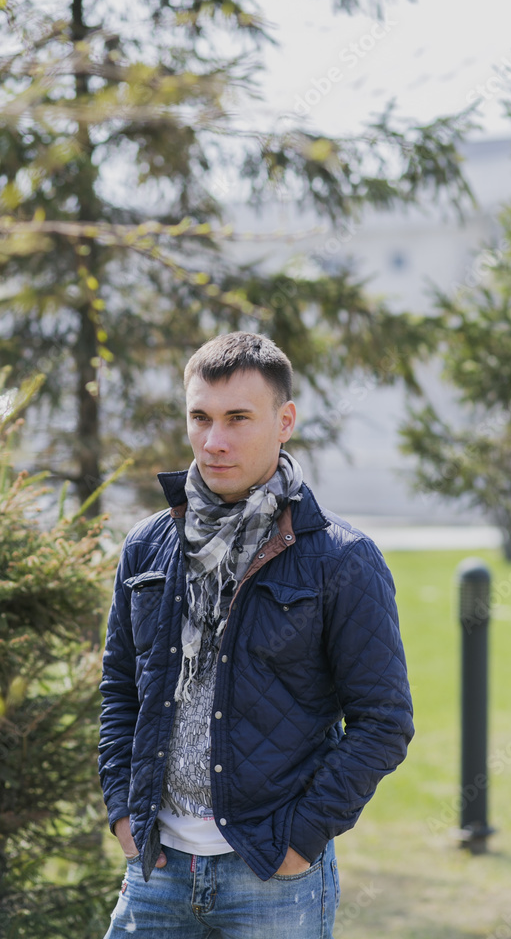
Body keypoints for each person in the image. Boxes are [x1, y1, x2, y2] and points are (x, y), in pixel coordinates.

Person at [98, 331, 414, 938]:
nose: (213, 441)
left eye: (238, 418)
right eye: (201, 417)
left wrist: (300, 840)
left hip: (272, 876)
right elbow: (120, 690)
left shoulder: (341, 559)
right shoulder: (147, 546)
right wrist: (123, 815)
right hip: (155, 869)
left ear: (284, 421)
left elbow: (383, 721)